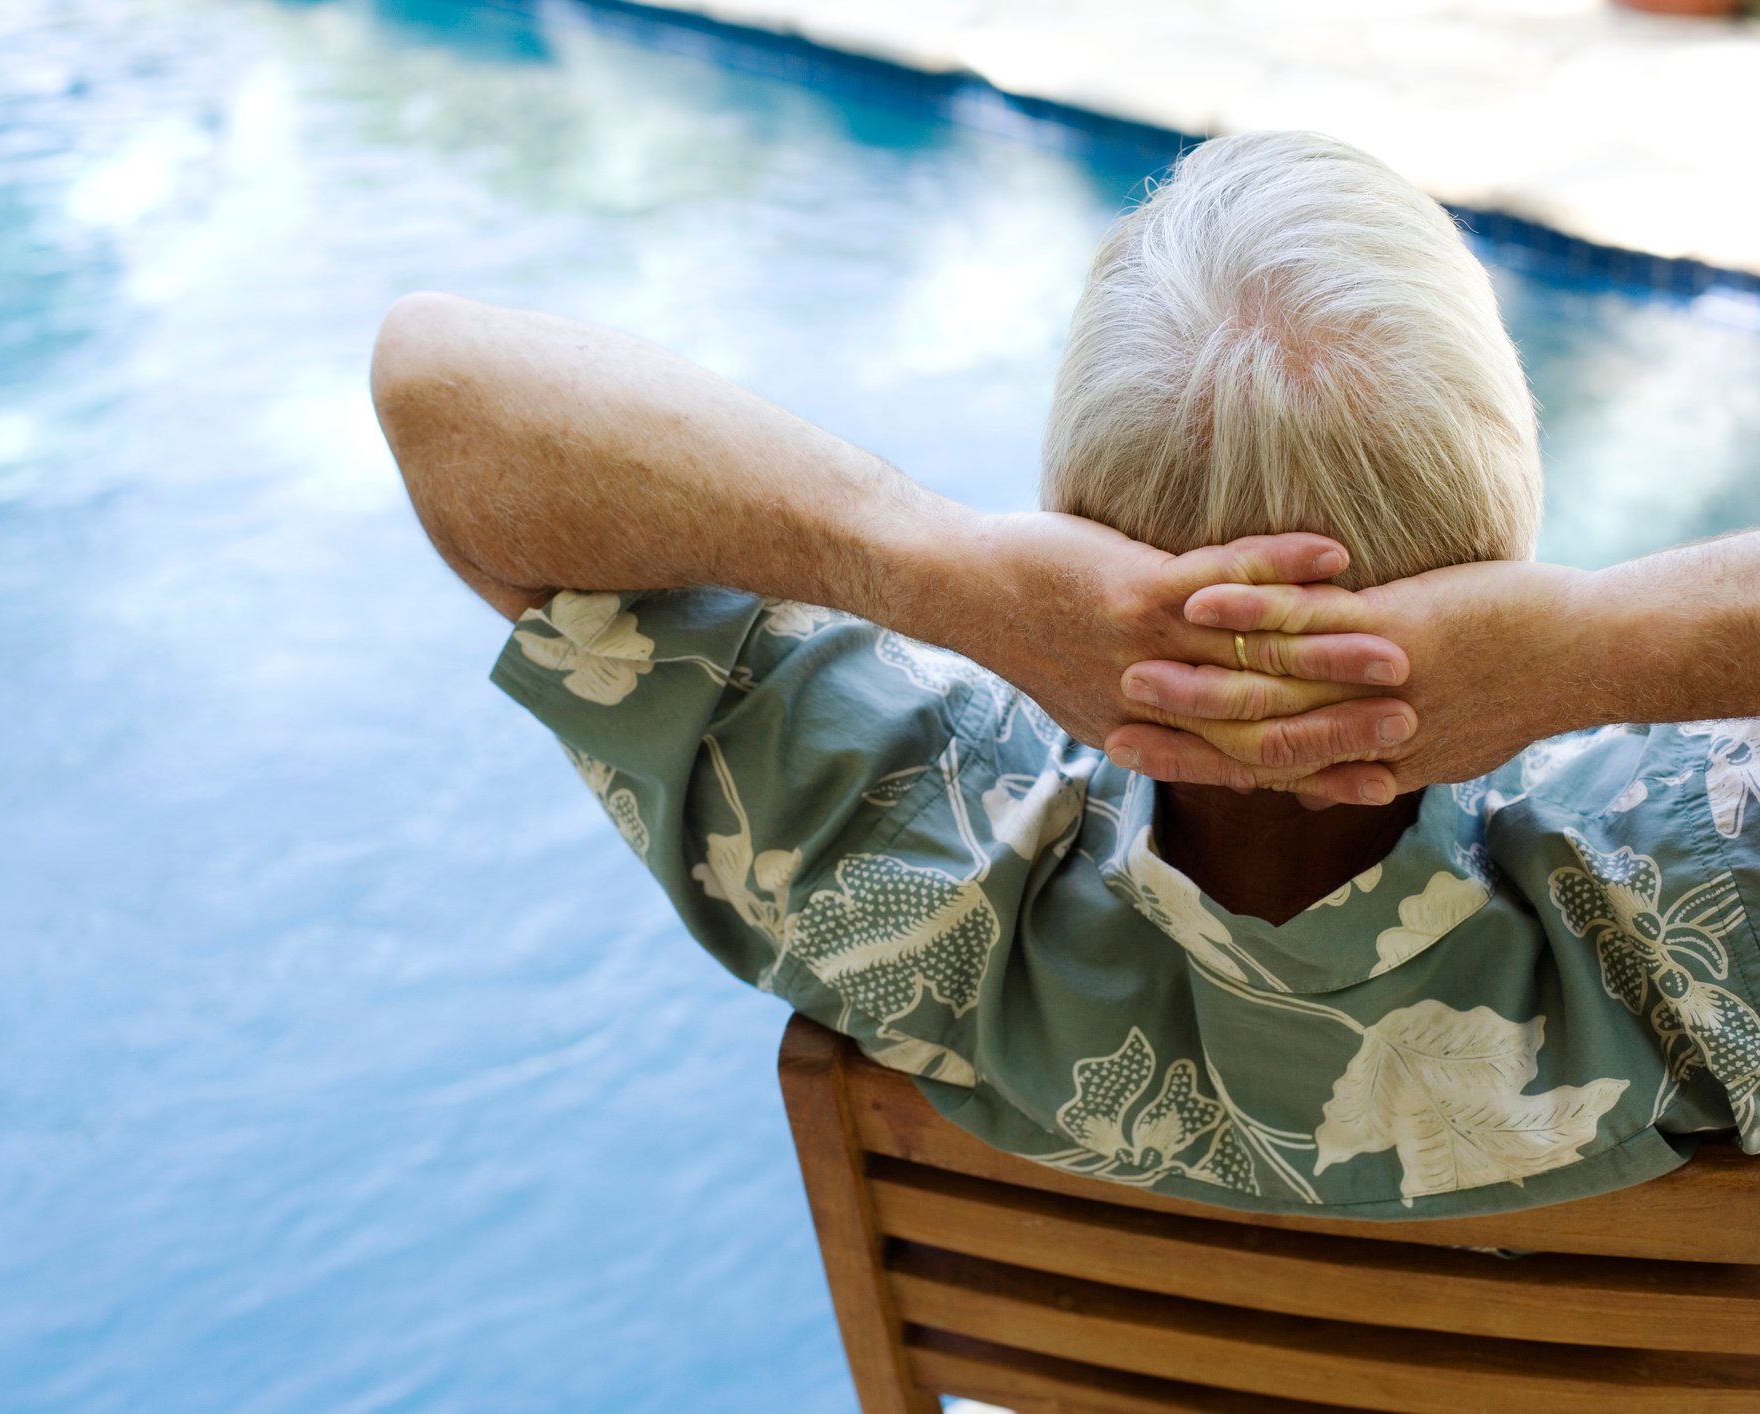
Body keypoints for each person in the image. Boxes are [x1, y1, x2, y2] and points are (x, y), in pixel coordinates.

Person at [375, 130, 1760, 1218]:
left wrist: (940, 567)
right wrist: (1591, 642)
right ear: (1508, 517)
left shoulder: (888, 850)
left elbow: (437, 381)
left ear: (1066, 515)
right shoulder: (1707, 887)